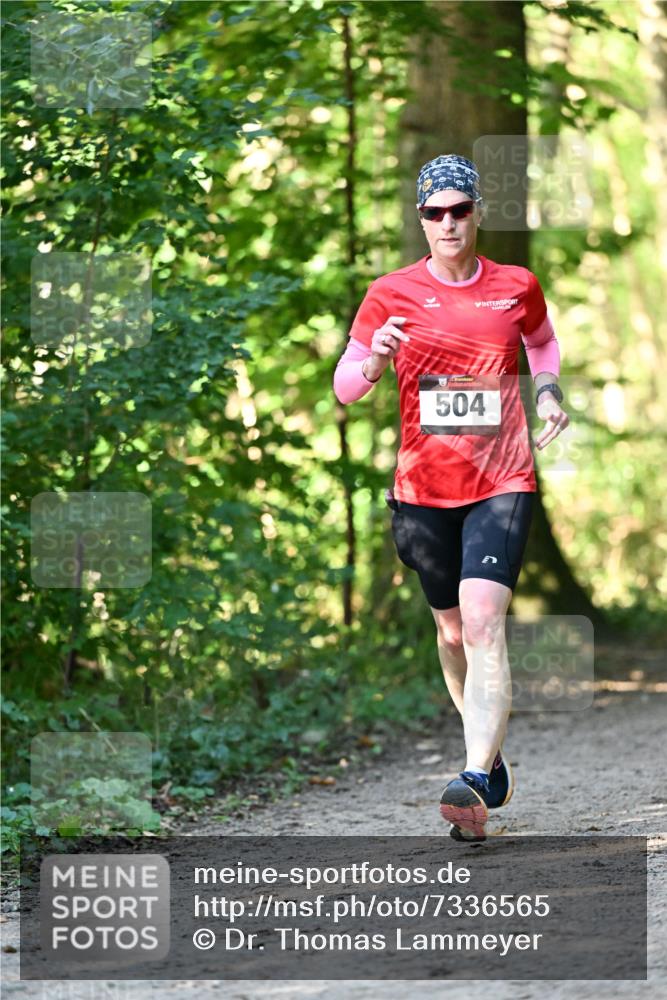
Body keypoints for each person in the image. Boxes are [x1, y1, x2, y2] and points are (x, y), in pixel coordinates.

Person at [333, 154, 569, 842]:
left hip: (502, 478)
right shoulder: (390, 292)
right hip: (422, 488)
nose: (446, 222)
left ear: (474, 213)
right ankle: (487, 755)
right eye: (432, 212)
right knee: (451, 631)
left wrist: (547, 390)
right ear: (419, 218)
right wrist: (375, 356)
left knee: (484, 621)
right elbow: (346, 386)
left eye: (457, 209)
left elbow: (541, 340)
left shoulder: (514, 284)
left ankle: (468, 776)